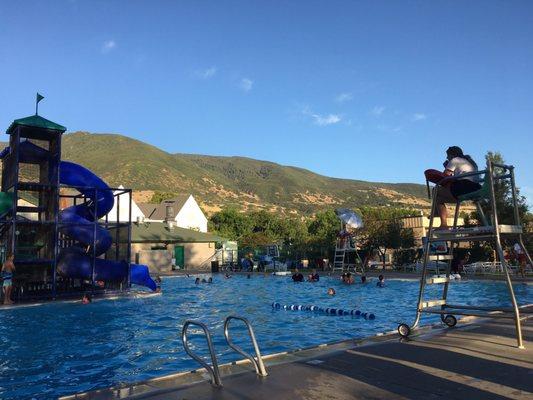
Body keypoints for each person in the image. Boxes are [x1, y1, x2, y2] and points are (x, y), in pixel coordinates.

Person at [429, 146, 481, 229]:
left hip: (463, 187)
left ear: (452, 155)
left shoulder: (455, 160)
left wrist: (447, 167)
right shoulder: (471, 162)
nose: (447, 157)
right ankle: (438, 216)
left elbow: (445, 176)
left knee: (435, 191)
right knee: (438, 198)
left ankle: (441, 221)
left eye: (447, 155)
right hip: (476, 188)